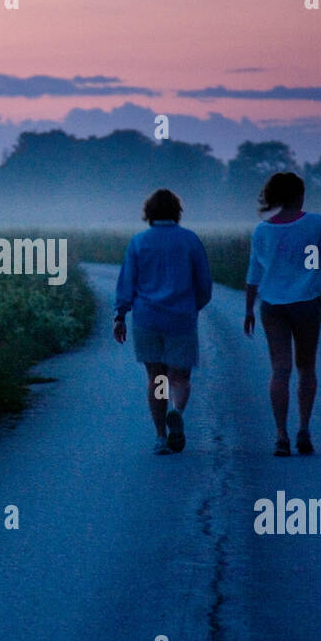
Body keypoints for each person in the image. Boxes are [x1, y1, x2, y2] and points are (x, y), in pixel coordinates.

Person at [243, 172, 321, 456]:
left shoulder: (262, 230)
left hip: (272, 304)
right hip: (307, 301)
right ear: (299, 195)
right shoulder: (316, 223)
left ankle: (281, 436)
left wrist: (248, 309)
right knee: (306, 367)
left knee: (280, 370)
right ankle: (304, 430)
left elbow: (254, 274)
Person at [113, 189, 212, 455]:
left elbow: (126, 283)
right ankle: (177, 411)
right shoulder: (190, 240)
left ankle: (160, 436)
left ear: (149, 212)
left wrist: (120, 315)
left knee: (156, 378)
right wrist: (192, 307)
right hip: (181, 318)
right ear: (177, 211)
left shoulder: (139, 242)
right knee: (180, 378)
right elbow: (204, 284)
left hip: (147, 318)